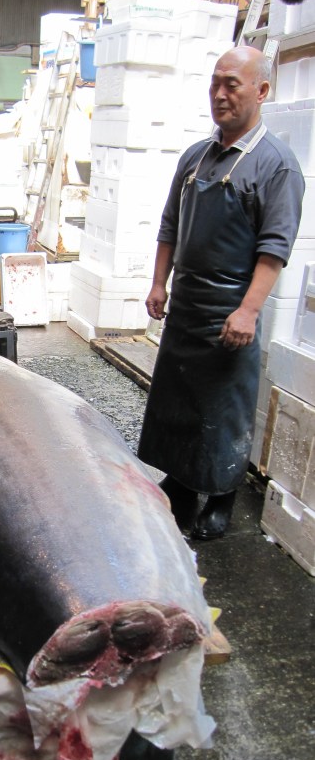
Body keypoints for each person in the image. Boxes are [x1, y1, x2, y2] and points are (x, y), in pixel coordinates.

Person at [137, 45, 304, 541]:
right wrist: (159, 281)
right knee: (180, 401)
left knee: (223, 409)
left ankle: (222, 496)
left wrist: (249, 310)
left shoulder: (278, 166)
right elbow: (170, 224)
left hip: (232, 308)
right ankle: (184, 486)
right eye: (215, 83)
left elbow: (275, 249)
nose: (220, 93)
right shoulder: (195, 157)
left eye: (232, 83)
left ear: (262, 91)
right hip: (186, 304)